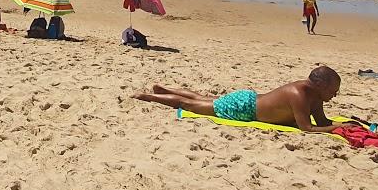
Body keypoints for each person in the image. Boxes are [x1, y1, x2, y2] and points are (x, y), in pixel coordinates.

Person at [132, 66, 344, 132]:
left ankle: (164, 88)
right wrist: (335, 129)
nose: (335, 95)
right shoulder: (299, 94)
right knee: (192, 105)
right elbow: (306, 128)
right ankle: (150, 96)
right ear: (321, 86)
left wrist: (345, 126)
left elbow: (322, 123)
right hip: (245, 107)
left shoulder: (316, 98)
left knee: (205, 98)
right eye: (333, 90)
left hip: (250, 99)